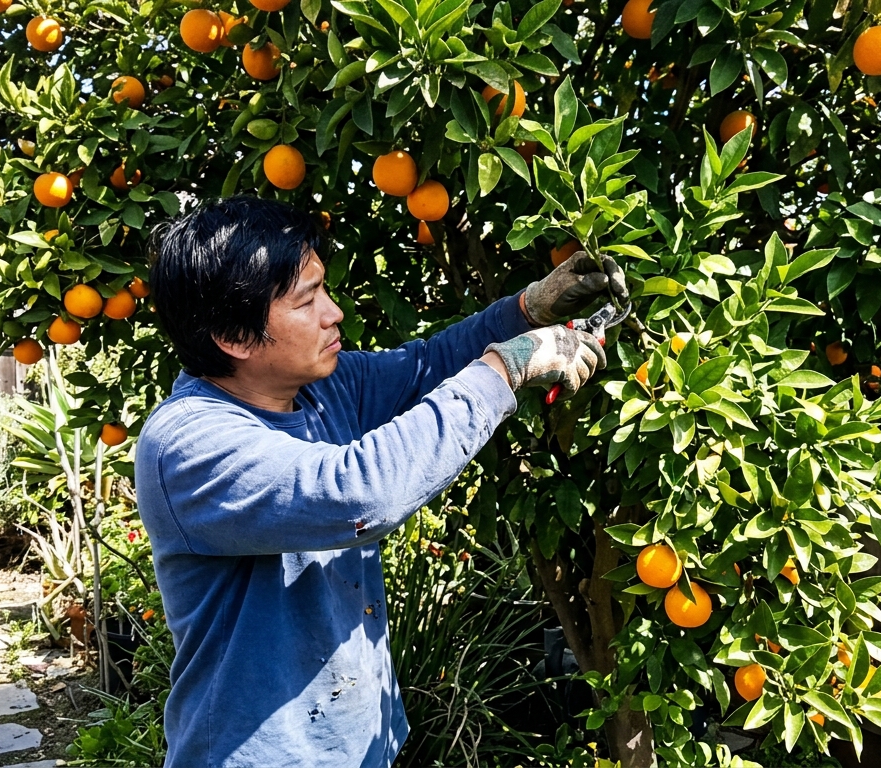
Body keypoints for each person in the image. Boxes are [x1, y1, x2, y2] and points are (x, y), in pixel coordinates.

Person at [133, 196, 628, 767]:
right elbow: (356, 495)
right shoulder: (190, 445)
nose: (333, 312)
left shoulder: (323, 386)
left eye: (324, 288)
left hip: (361, 744)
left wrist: (526, 309)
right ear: (234, 337)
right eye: (306, 300)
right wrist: (506, 367)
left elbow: (426, 366)